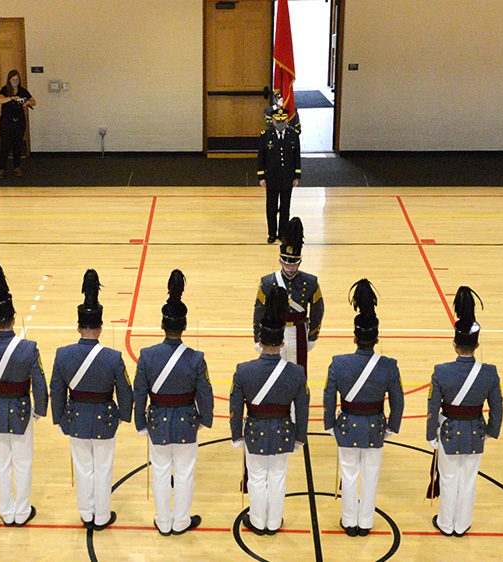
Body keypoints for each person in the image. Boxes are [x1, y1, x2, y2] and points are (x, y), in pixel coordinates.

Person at [50, 269, 133, 531]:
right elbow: (126, 392)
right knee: (104, 467)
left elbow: (56, 390)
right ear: (100, 327)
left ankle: (86, 513)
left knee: (83, 467)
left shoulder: (63, 355)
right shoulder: (113, 357)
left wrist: (60, 419)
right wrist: (122, 416)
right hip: (105, 419)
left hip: (75, 418)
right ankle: (102, 515)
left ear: (78, 326)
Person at [133, 270, 213, 536]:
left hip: (157, 420)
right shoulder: (196, 358)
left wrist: (141, 422)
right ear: (184, 327)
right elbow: (205, 394)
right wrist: (204, 420)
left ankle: (163, 520)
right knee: (185, 473)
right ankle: (181, 521)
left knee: (160, 471)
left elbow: (139, 392)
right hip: (187, 421)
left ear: (162, 325)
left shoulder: (147, 355)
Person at [0, 258, 47, 527]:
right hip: (23, 411)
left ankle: (6, 510)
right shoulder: (28, 348)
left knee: (1, 463)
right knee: (23, 462)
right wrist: (39, 410)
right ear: (13, 318)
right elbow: (39, 382)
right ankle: (22, 511)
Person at [323, 279, 404, 537]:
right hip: (375, 427)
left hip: (347, 425)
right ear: (377, 338)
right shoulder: (389, 365)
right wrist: (392, 426)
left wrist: (329, 424)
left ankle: (349, 520)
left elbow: (328, 396)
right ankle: (366, 521)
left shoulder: (339, 363)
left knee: (349, 475)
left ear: (355, 337)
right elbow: (398, 399)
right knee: (371, 476)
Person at [231, 285, 309, 536]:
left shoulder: (243, 370)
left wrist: (236, 435)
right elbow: (303, 408)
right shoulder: (296, 373)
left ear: (260, 341)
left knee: (256, 478)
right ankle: (273, 522)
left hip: (254, 430)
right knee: (278, 477)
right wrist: (300, 436)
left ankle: (257, 521)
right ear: (282, 342)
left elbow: (234, 406)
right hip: (284, 431)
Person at [426, 286, 503, 537]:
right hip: (475, 431)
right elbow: (497, 406)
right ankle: (462, 524)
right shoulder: (489, 372)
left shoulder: (442, 371)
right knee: (468, 479)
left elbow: (432, 406)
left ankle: (446, 523)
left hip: (448, 431)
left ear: (454, 344)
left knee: (448, 478)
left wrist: (431, 435)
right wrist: (491, 431)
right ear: (477, 343)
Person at [253, 217, 324, 369]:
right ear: (280, 261)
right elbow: (259, 311)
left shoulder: (311, 282)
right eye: (286, 263)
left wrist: (312, 335)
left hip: (299, 331)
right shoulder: (267, 282)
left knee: (298, 371)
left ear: (300, 261)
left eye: (294, 263)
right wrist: (258, 337)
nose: (290, 267)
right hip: (275, 332)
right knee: (273, 371)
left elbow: (317, 310)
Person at [257, 106, 301, 244]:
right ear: (273, 121)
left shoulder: (293, 135)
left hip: (287, 178)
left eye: (283, 122)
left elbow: (296, 157)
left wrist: (296, 176)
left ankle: (282, 233)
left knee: (285, 207)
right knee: (271, 207)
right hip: (271, 178)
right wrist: (261, 177)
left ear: (286, 121)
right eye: (278, 122)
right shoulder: (265, 135)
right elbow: (261, 158)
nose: (281, 124)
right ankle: (271, 233)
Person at [0, 70, 35, 179]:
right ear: (9, 80)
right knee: (5, 146)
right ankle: (1, 168)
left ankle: (17, 167)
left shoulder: (23, 91)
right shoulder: (5, 89)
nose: (15, 81)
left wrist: (26, 102)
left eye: (17, 79)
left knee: (17, 145)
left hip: (19, 122)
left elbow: (34, 101)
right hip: (6, 122)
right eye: (13, 79)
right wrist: (13, 98)